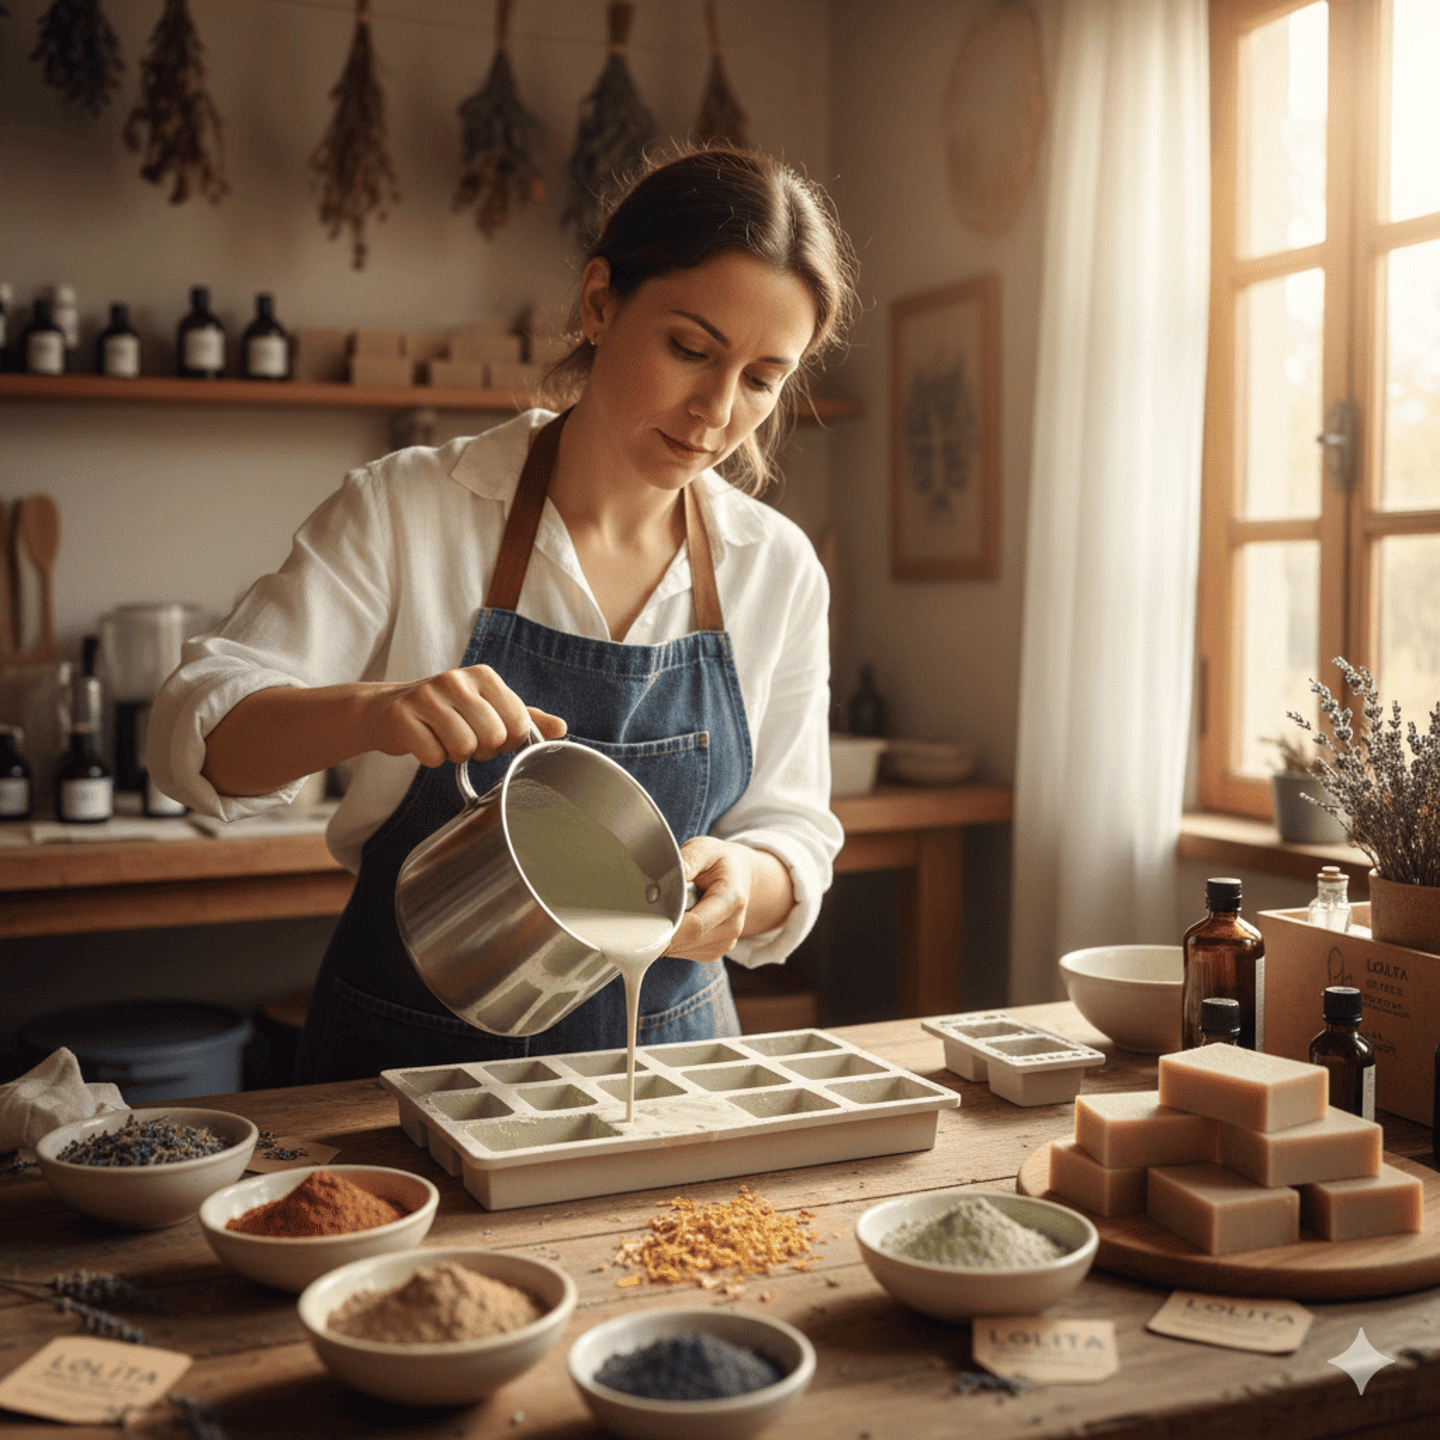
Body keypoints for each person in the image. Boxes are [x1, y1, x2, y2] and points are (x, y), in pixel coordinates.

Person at [148, 144, 859, 1083]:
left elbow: (794, 830)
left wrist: (749, 887)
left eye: (763, 379)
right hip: (401, 1071)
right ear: (599, 302)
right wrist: (372, 711)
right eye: (690, 349)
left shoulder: (775, 567)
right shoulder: (410, 508)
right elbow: (192, 738)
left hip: (669, 1066)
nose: (716, 413)